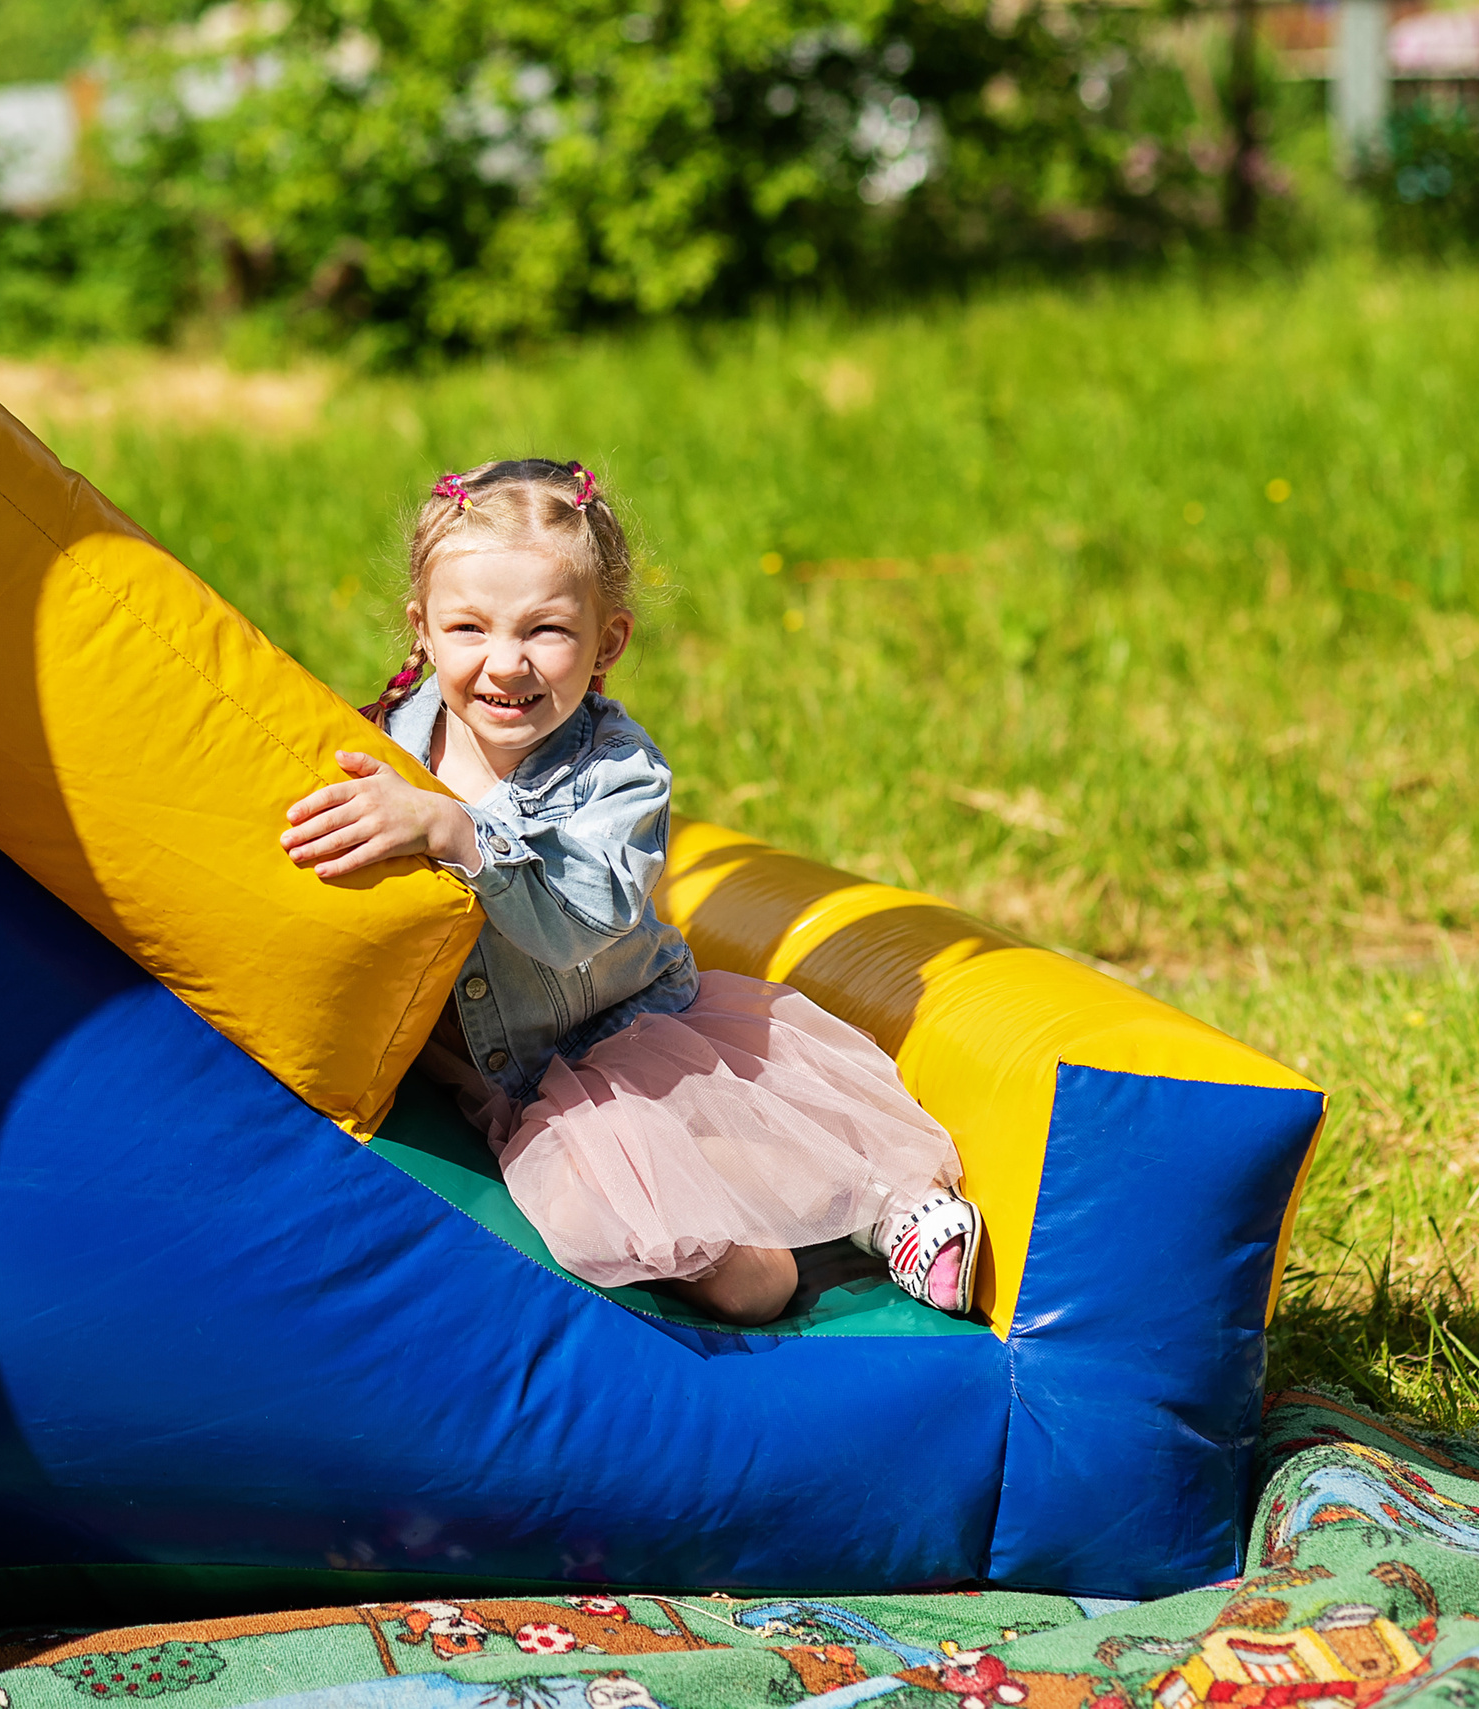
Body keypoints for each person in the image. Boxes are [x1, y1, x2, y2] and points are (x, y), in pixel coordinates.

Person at [278, 458, 980, 1326]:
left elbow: (580, 922)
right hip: (506, 1084)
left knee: (729, 1131)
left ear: (608, 641)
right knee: (689, 1252)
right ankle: (743, 1247)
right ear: (421, 631)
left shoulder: (617, 772)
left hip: (634, 1036)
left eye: (546, 630)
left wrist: (458, 833)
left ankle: (881, 1203)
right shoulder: (391, 738)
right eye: (469, 627)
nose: (505, 663)